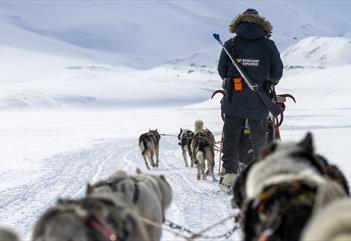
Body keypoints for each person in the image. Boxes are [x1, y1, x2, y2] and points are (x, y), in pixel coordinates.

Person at [217, 8, 283, 192]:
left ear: (240, 23)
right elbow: (277, 73)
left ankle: (230, 177)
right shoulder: (269, 46)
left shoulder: (230, 45)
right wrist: (267, 82)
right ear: (261, 24)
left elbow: (222, 71)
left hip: (234, 100)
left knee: (230, 137)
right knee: (259, 138)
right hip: (259, 101)